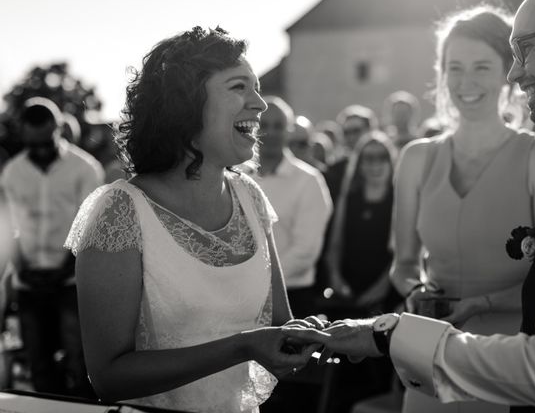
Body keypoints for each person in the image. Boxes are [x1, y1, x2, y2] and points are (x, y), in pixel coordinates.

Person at [283, 0, 535, 413]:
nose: (515, 71)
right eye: (454, 67)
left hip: (502, 369)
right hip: (441, 365)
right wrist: (409, 309)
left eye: (523, 49)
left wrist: (390, 334)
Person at [64, 27, 318, 413]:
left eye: (257, 87)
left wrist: (311, 337)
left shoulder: (249, 196)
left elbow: (280, 324)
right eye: (239, 87)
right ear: (186, 105)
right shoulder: (119, 211)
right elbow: (109, 378)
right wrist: (241, 346)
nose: (260, 105)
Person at [393, 4, 535, 413]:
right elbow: (401, 264)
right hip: (430, 357)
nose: (465, 82)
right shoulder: (416, 158)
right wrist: (415, 290)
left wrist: (482, 305)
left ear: (509, 74)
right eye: (454, 67)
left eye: (481, 67)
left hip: (512, 361)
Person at [1, 97, 104, 397]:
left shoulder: (85, 168)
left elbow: (88, 227)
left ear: (58, 129)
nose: (41, 151)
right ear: (24, 135)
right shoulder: (12, 173)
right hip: (29, 281)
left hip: (71, 282)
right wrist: (23, 269)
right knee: (39, 365)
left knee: (79, 363)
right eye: (34, 145)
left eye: (46, 142)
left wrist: (62, 271)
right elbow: (9, 227)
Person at [256, 97, 332, 318]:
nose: (270, 132)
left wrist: (256, 281)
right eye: (263, 125)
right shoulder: (236, 175)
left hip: (292, 299)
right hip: (243, 298)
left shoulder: (309, 181)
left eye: (278, 126)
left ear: (289, 131)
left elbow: (305, 252)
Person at [325, 131, 401, 317]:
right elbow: (335, 244)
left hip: (387, 295)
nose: (375, 163)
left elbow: (401, 254)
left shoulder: (399, 199)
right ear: (359, 163)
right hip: (348, 291)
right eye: (369, 157)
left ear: (390, 161)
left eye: (382, 157)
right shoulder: (348, 197)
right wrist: (335, 278)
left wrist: (380, 289)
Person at [324, 105, 378, 202]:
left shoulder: (384, 164)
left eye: (356, 131)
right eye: (346, 132)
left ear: (370, 131)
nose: (351, 137)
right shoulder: (334, 171)